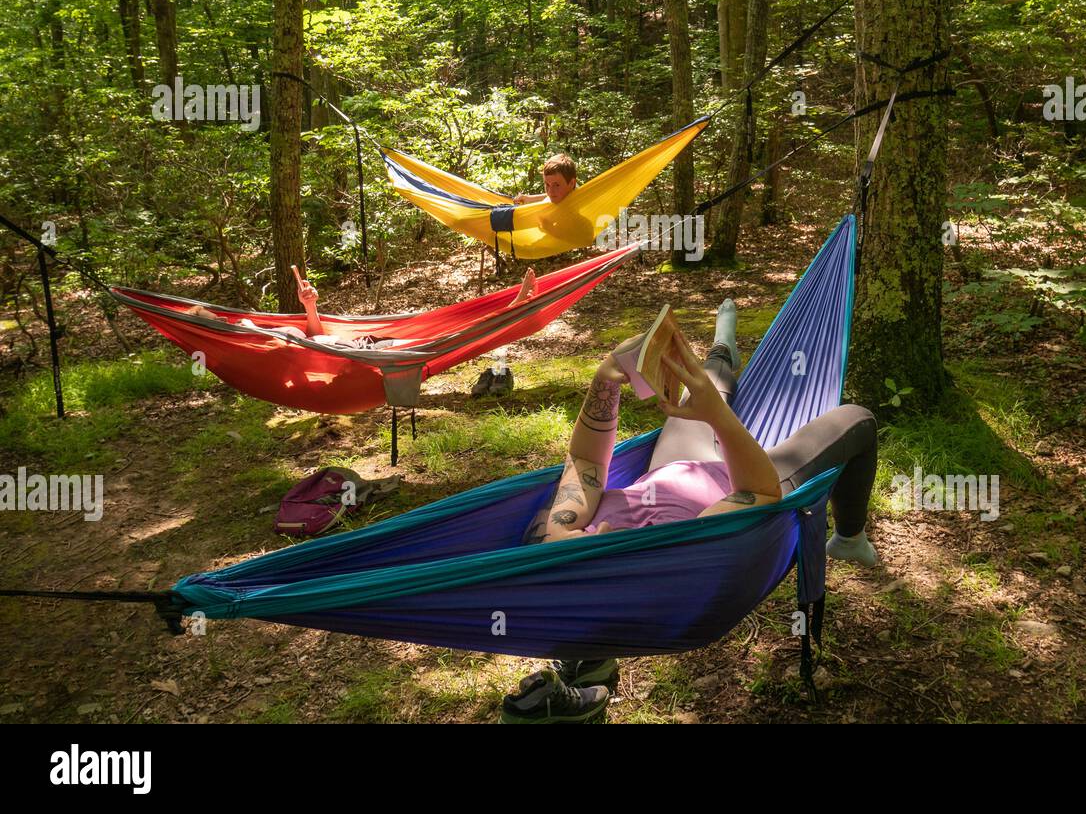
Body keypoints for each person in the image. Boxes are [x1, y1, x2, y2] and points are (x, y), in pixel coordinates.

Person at [499, 299, 880, 724]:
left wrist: (608, 374)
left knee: (704, 381)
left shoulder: (560, 539)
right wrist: (717, 419)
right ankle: (849, 537)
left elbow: (585, 464)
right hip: (753, 473)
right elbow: (757, 491)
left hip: (673, 468)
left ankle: (722, 351)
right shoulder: (674, 557)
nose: (594, 537)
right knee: (857, 419)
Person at [184, 265, 538, 351]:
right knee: (441, 340)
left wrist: (310, 306)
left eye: (215, 315)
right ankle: (513, 308)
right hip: (360, 356)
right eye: (213, 319)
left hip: (357, 346)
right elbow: (302, 354)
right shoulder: (246, 343)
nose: (221, 317)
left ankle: (512, 307)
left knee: (438, 329)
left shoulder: (247, 326)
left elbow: (314, 338)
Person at [512, 152, 578, 205]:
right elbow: (551, 196)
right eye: (547, 185)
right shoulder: (566, 192)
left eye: (557, 185)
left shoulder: (580, 203)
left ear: (572, 183)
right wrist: (529, 198)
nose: (550, 192)